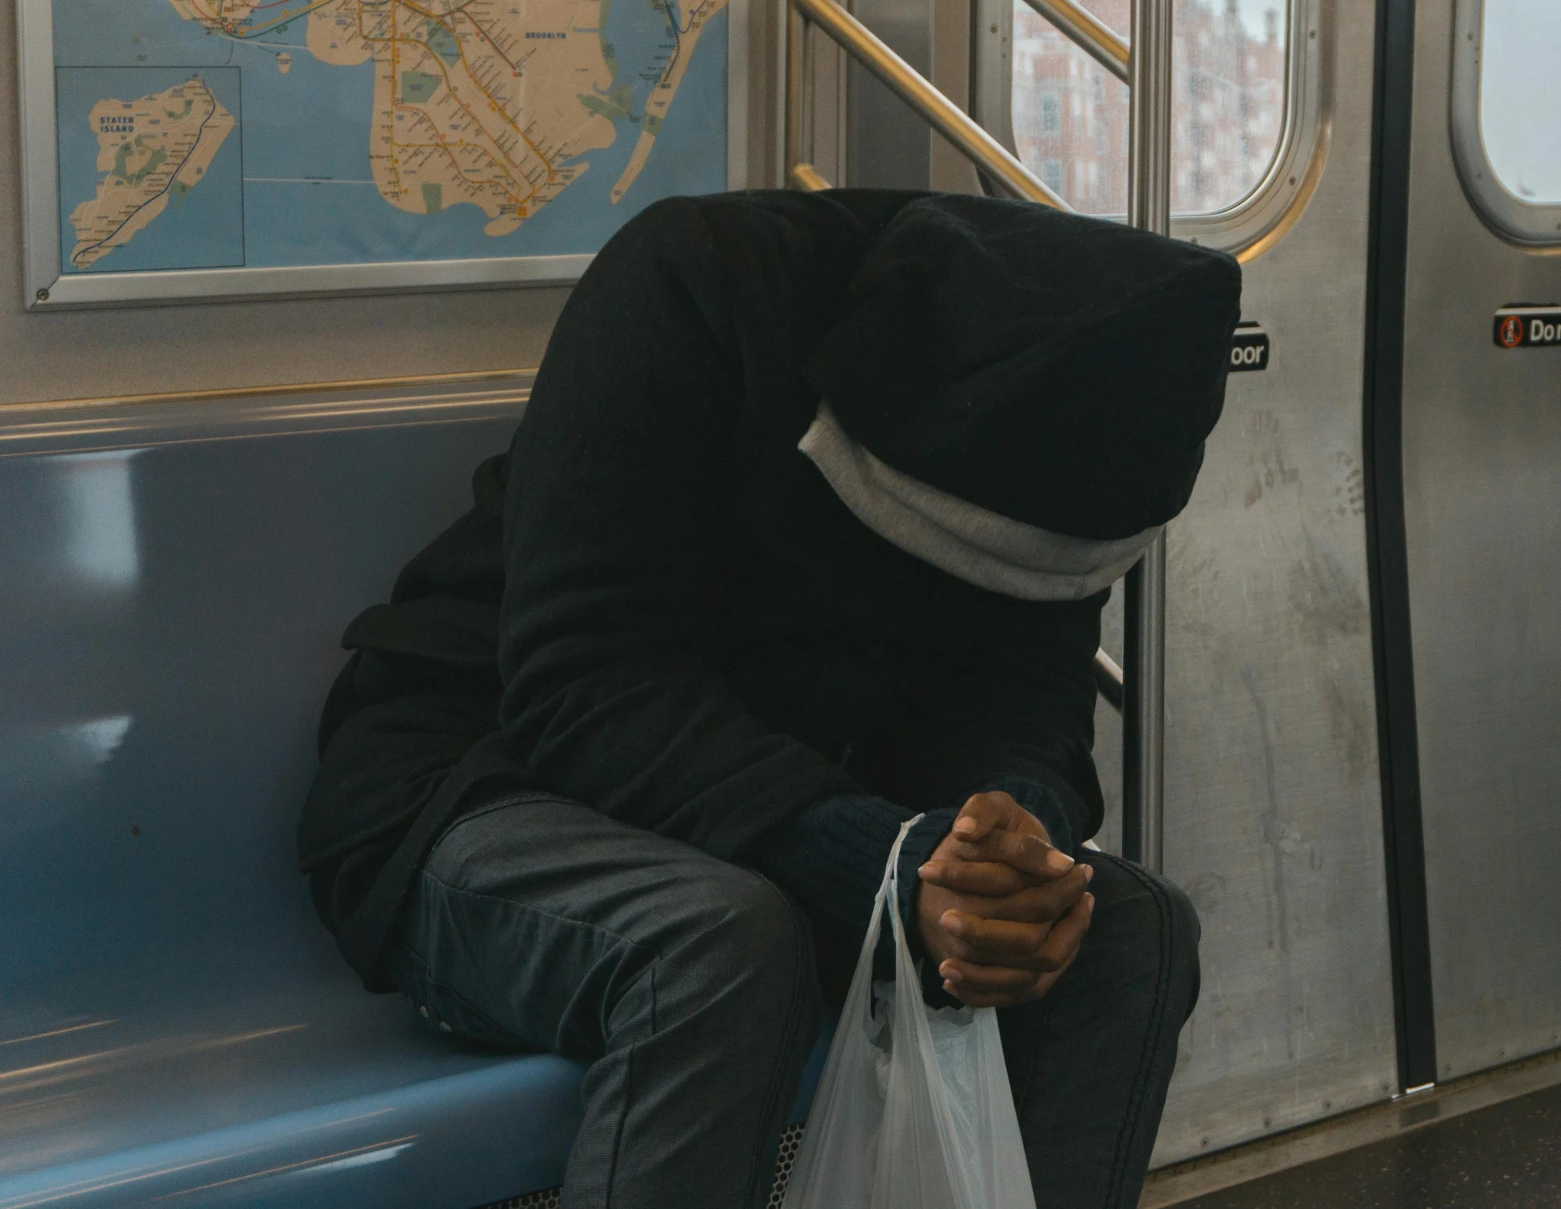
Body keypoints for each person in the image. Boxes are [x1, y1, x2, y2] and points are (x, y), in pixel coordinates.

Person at [297, 188, 1244, 1209]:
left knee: (1131, 928)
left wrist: (1008, 841)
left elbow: (1020, 686)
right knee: (718, 943)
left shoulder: (1079, 416)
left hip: (778, 823)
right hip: (477, 784)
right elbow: (581, 679)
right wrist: (886, 862)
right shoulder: (695, 279)